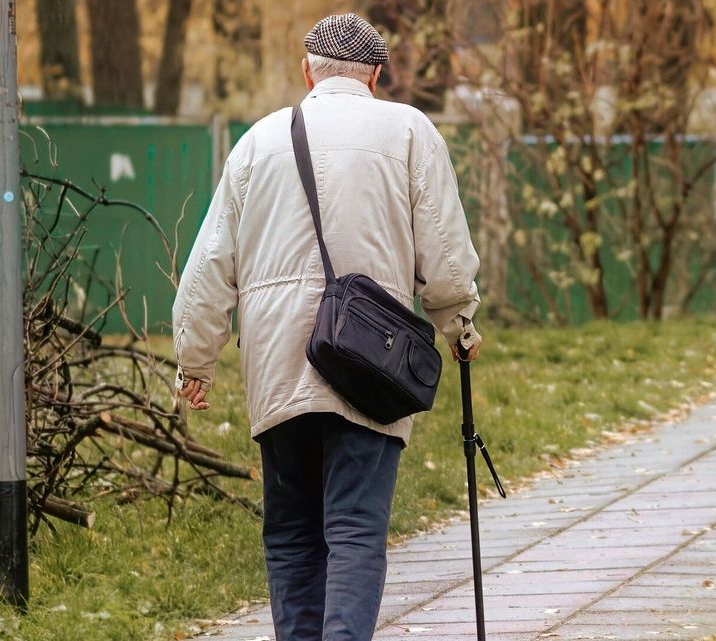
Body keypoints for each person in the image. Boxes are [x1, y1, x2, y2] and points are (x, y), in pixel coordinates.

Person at [171, 13, 482, 641]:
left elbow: (210, 263)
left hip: (279, 364)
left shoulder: (258, 141)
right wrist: (458, 324)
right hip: (371, 360)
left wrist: (194, 360)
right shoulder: (410, 131)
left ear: (307, 70)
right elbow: (444, 252)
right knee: (356, 530)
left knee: (290, 534)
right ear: (374, 74)